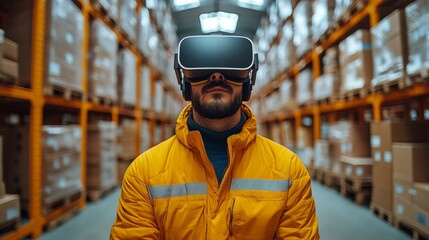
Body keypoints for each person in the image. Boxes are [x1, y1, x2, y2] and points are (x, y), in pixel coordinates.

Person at [110, 35, 319, 239]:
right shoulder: (143, 174)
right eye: (202, 68)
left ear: (248, 81)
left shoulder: (290, 172)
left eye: (231, 68)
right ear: (184, 83)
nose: (217, 76)